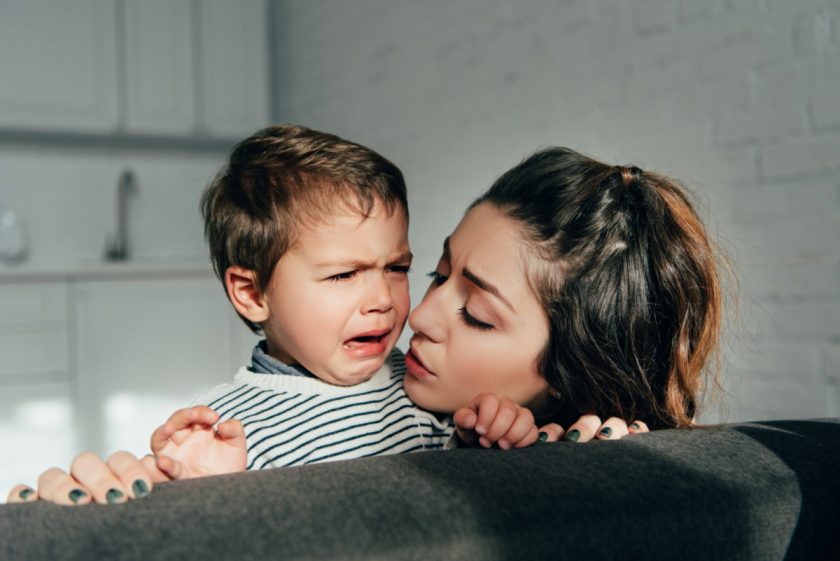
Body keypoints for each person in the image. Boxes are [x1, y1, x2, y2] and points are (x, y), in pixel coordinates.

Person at [13, 142, 719, 505]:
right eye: (439, 276)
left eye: (475, 312)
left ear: (570, 374)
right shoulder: (251, 419)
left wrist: (589, 457)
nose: (419, 312)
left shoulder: (562, 460)